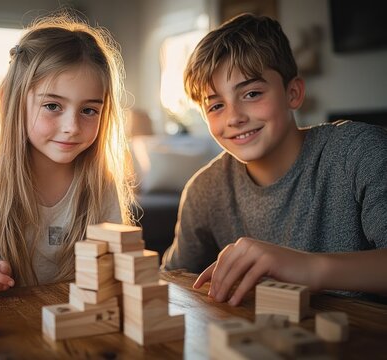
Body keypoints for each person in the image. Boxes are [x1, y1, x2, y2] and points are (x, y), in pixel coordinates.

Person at [162, 13, 387, 306]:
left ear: (293, 93)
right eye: (216, 105)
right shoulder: (204, 190)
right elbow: (173, 281)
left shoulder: (359, 152)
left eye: (252, 93)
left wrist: (308, 268)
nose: (234, 118)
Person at [0, 12, 135, 298]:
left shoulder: (101, 186)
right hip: (9, 330)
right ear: (10, 102)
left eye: (89, 110)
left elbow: (119, 267)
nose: (72, 127)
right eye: (53, 106)